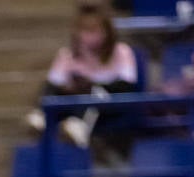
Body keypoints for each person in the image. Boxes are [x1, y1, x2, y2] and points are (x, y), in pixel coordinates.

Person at [26, 1, 138, 147]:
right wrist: (69, 88)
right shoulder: (67, 55)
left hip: (110, 105)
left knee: (94, 92)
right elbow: (52, 83)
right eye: (84, 30)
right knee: (51, 89)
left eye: (94, 30)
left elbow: (127, 86)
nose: (89, 36)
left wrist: (93, 85)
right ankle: (41, 116)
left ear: (106, 31)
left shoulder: (122, 52)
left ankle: (78, 126)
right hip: (74, 103)